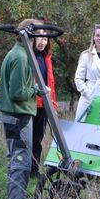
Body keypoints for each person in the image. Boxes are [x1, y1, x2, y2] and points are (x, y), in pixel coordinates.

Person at [0, 18, 43, 199]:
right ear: (30, 35)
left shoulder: (18, 53)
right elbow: (17, 93)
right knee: (20, 164)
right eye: (39, 34)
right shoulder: (21, 57)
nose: (42, 38)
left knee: (16, 161)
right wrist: (36, 90)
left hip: (15, 116)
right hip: (18, 117)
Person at [30, 31, 57, 178]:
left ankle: (34, 170)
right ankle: (26, 169)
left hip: (45, 104)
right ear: (33, 39)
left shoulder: (46, 57)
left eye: (45, 39)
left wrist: (53, 104)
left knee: (38, 138)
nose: (43, 42)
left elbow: (50, 83)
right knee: (30, 138)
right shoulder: (29, 56)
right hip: (32, 103)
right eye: (40, 38)